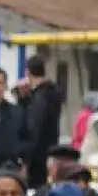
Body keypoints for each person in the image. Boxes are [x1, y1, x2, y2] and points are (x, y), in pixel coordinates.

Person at [15, 55, 65, 187]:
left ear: (27, 73)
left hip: (36, 159)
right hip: (50, 152)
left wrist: (26, 161)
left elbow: (33, 129)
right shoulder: (53, 92)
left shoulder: (39, 98)